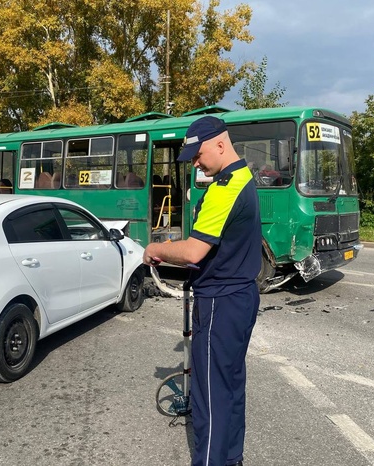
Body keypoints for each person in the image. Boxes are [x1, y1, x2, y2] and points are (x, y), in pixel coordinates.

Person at [143, 116, 262, 466]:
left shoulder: (225, 188)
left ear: (220, 145)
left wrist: (157, 249)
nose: (196, 163)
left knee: (210, 396)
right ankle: (231, 458)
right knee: (230, 388)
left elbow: (194, 251)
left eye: (198, 155)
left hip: (221, 303)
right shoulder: (242, 177)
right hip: (239, 297)